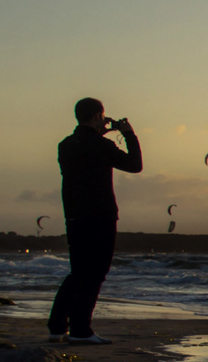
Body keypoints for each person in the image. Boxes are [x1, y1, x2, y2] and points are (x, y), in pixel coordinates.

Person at [46, 98, 141, 344]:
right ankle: (80, 330)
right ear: (98, 116)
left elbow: (86, 146)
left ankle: (57, 325)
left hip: (75, 215)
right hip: (100, 216)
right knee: (95, 273)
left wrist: (100, 132)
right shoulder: (100, 145)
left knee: (78, 272)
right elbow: (135, 165)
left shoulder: (66, 145)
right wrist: (128, 134)